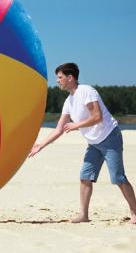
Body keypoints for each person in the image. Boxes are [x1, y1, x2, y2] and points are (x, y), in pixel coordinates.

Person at [29, 63, 136, 224]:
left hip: (109, 137)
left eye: (60, 77)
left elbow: (97, 117)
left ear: (70, 78)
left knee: (118, 178)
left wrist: (75, 125)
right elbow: (59, 129)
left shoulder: (86, 91)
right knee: (85, 177)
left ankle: (134, 211)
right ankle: (84, 215)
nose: (57, 81)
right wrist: (40, 145)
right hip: (94, 143)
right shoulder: (69, 101)